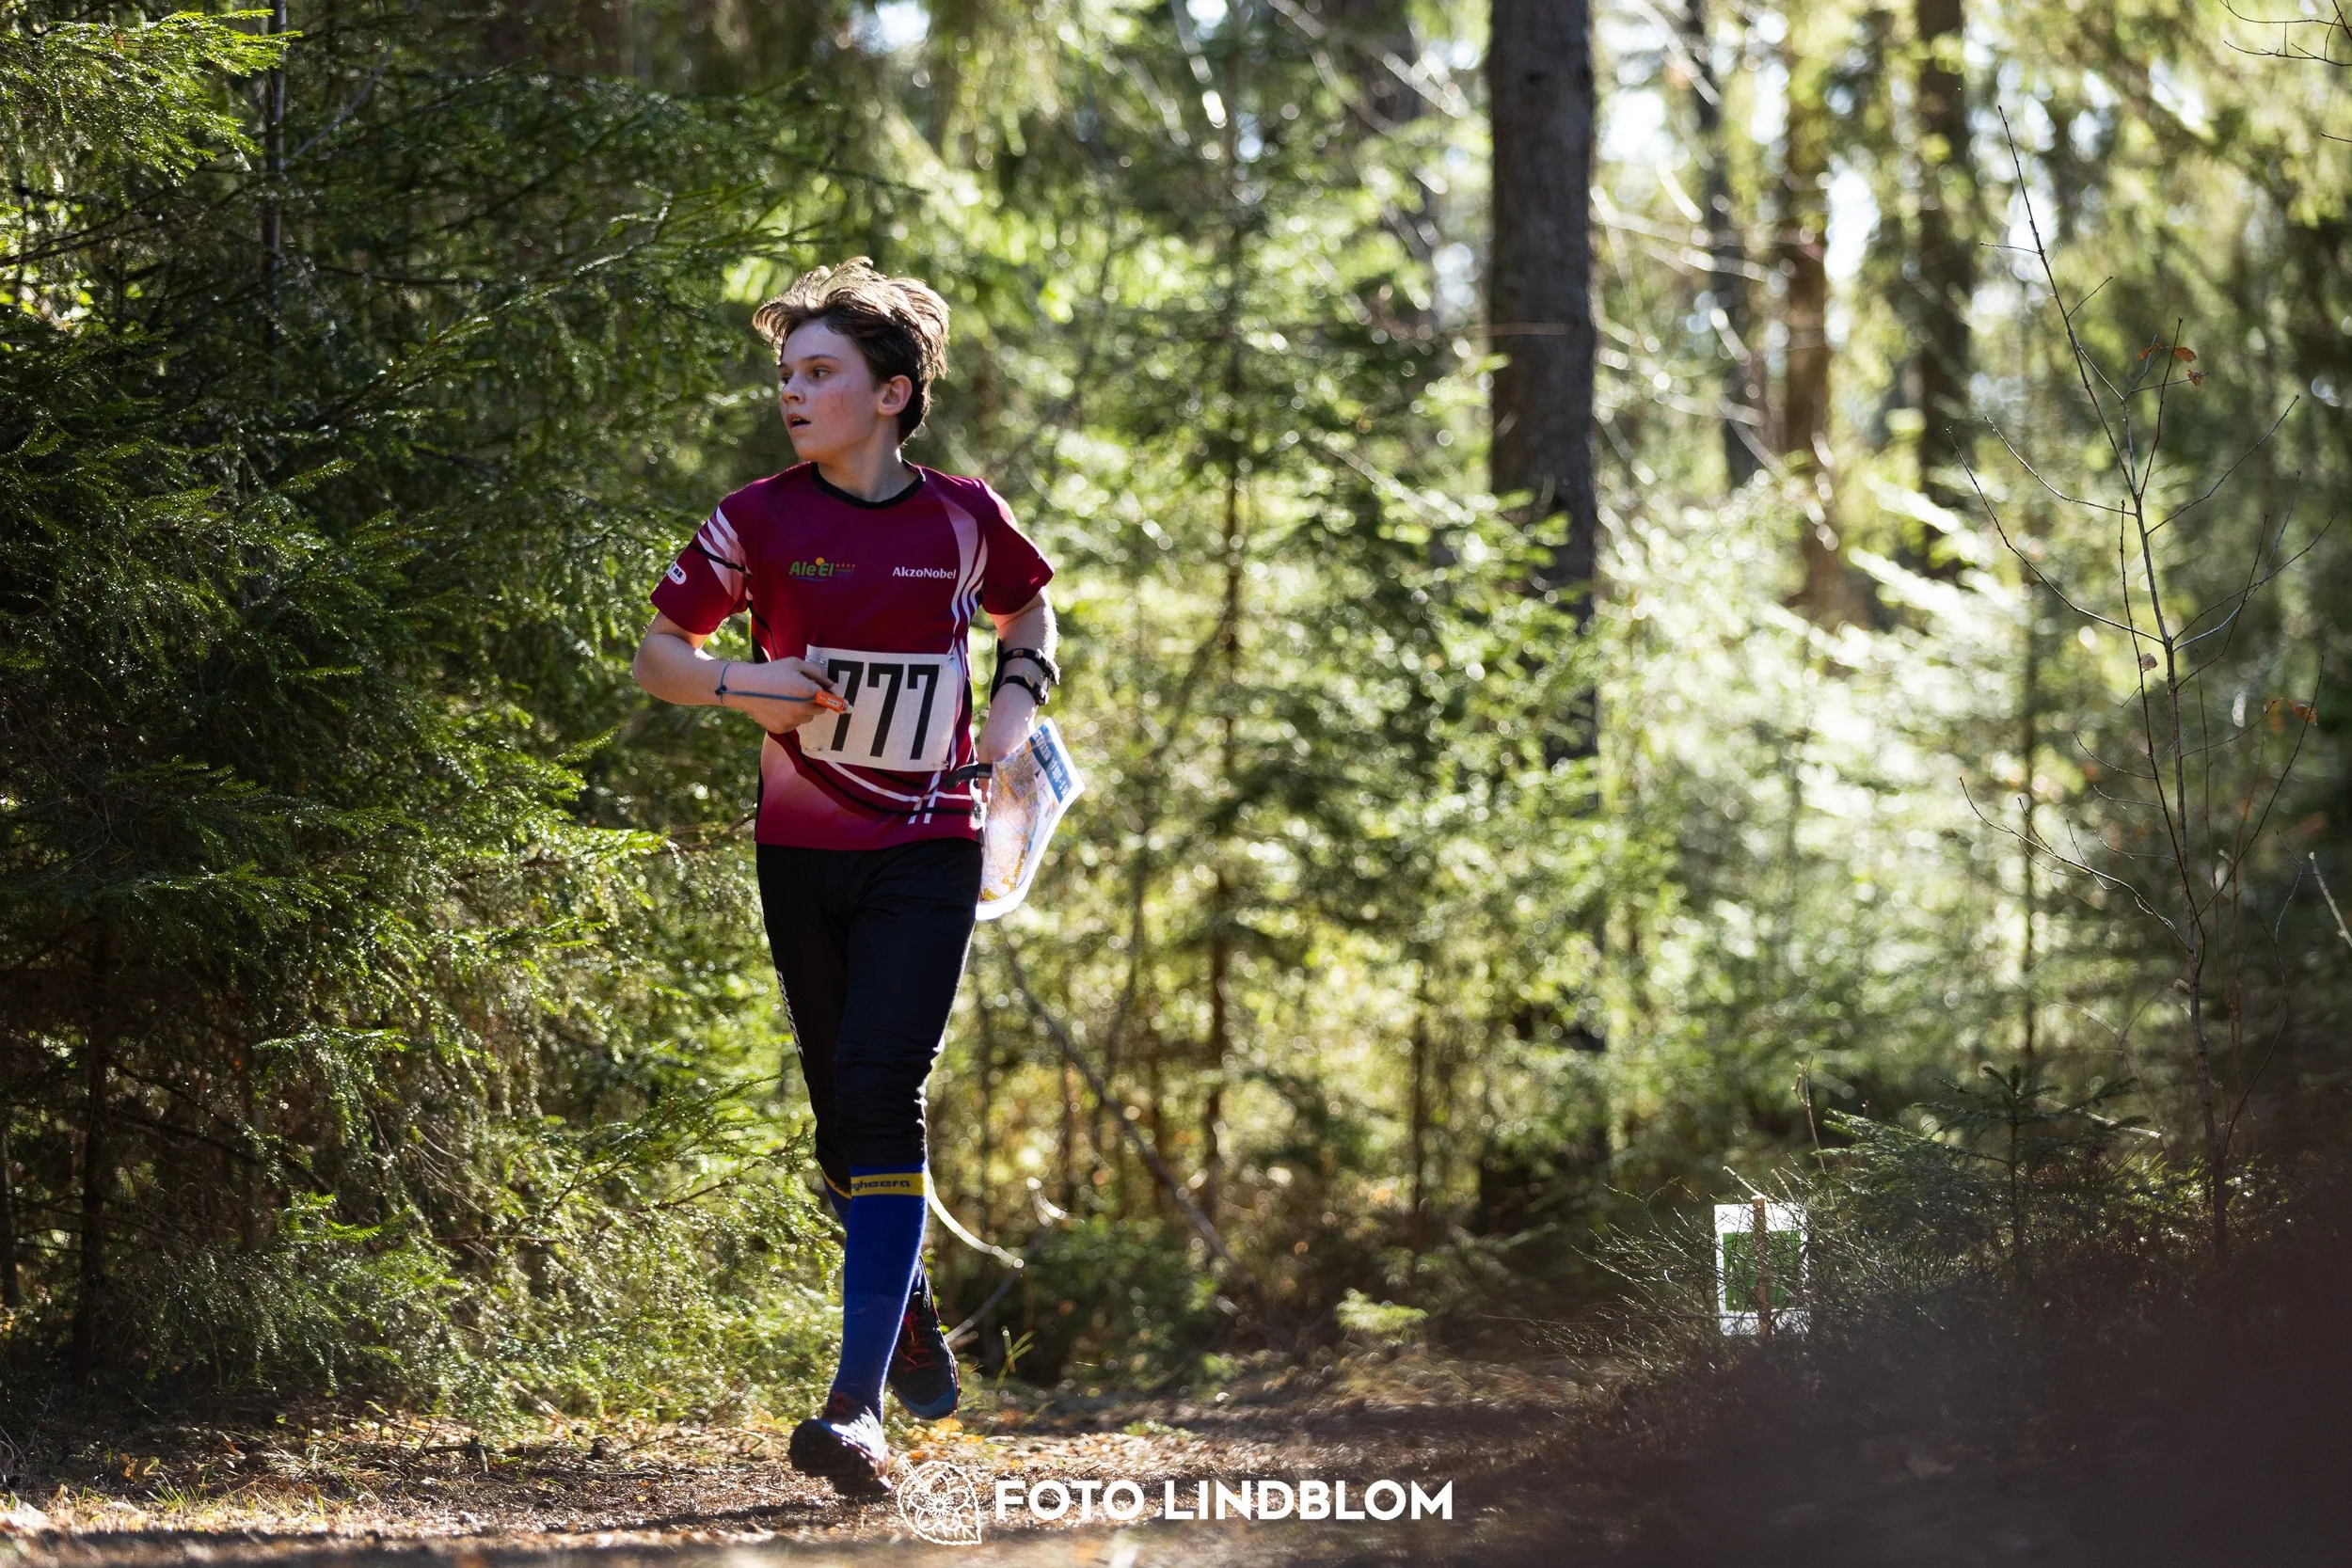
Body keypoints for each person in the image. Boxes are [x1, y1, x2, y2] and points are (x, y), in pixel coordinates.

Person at [629, 258, 1059, 1497]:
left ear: (893, 392)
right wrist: (736, 682)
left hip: (930, 845)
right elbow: (662, 652)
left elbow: (1031, 611)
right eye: (787, 374)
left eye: (820, 373)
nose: (793, 394)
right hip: (801, 849)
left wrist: (1015, 714)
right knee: (840, 1123)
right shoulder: (757, 519)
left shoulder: (965, 518)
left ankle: (853, 1409)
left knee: (883, 1091)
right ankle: (904, 1294)